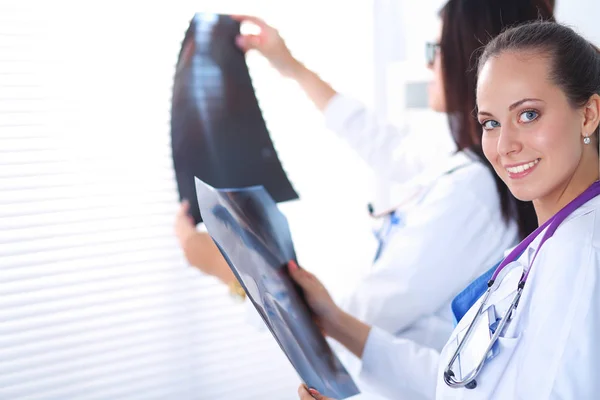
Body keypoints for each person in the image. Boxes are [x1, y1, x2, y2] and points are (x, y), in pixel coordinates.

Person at [175, 0, 552, 395]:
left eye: (435, 49)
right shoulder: (474, 166)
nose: (429, 63)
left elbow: (345, 319)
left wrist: (225, 271)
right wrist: (291, 67)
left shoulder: (473, 193)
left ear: (473, 59)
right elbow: (384, 146)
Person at [295, 20, 600, 400]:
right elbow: (461, 384)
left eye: (528, 115)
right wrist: (337, 322)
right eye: (490, 122)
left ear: (588, 114)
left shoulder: (580, 255)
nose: (504, 145)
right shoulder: (548, 247)